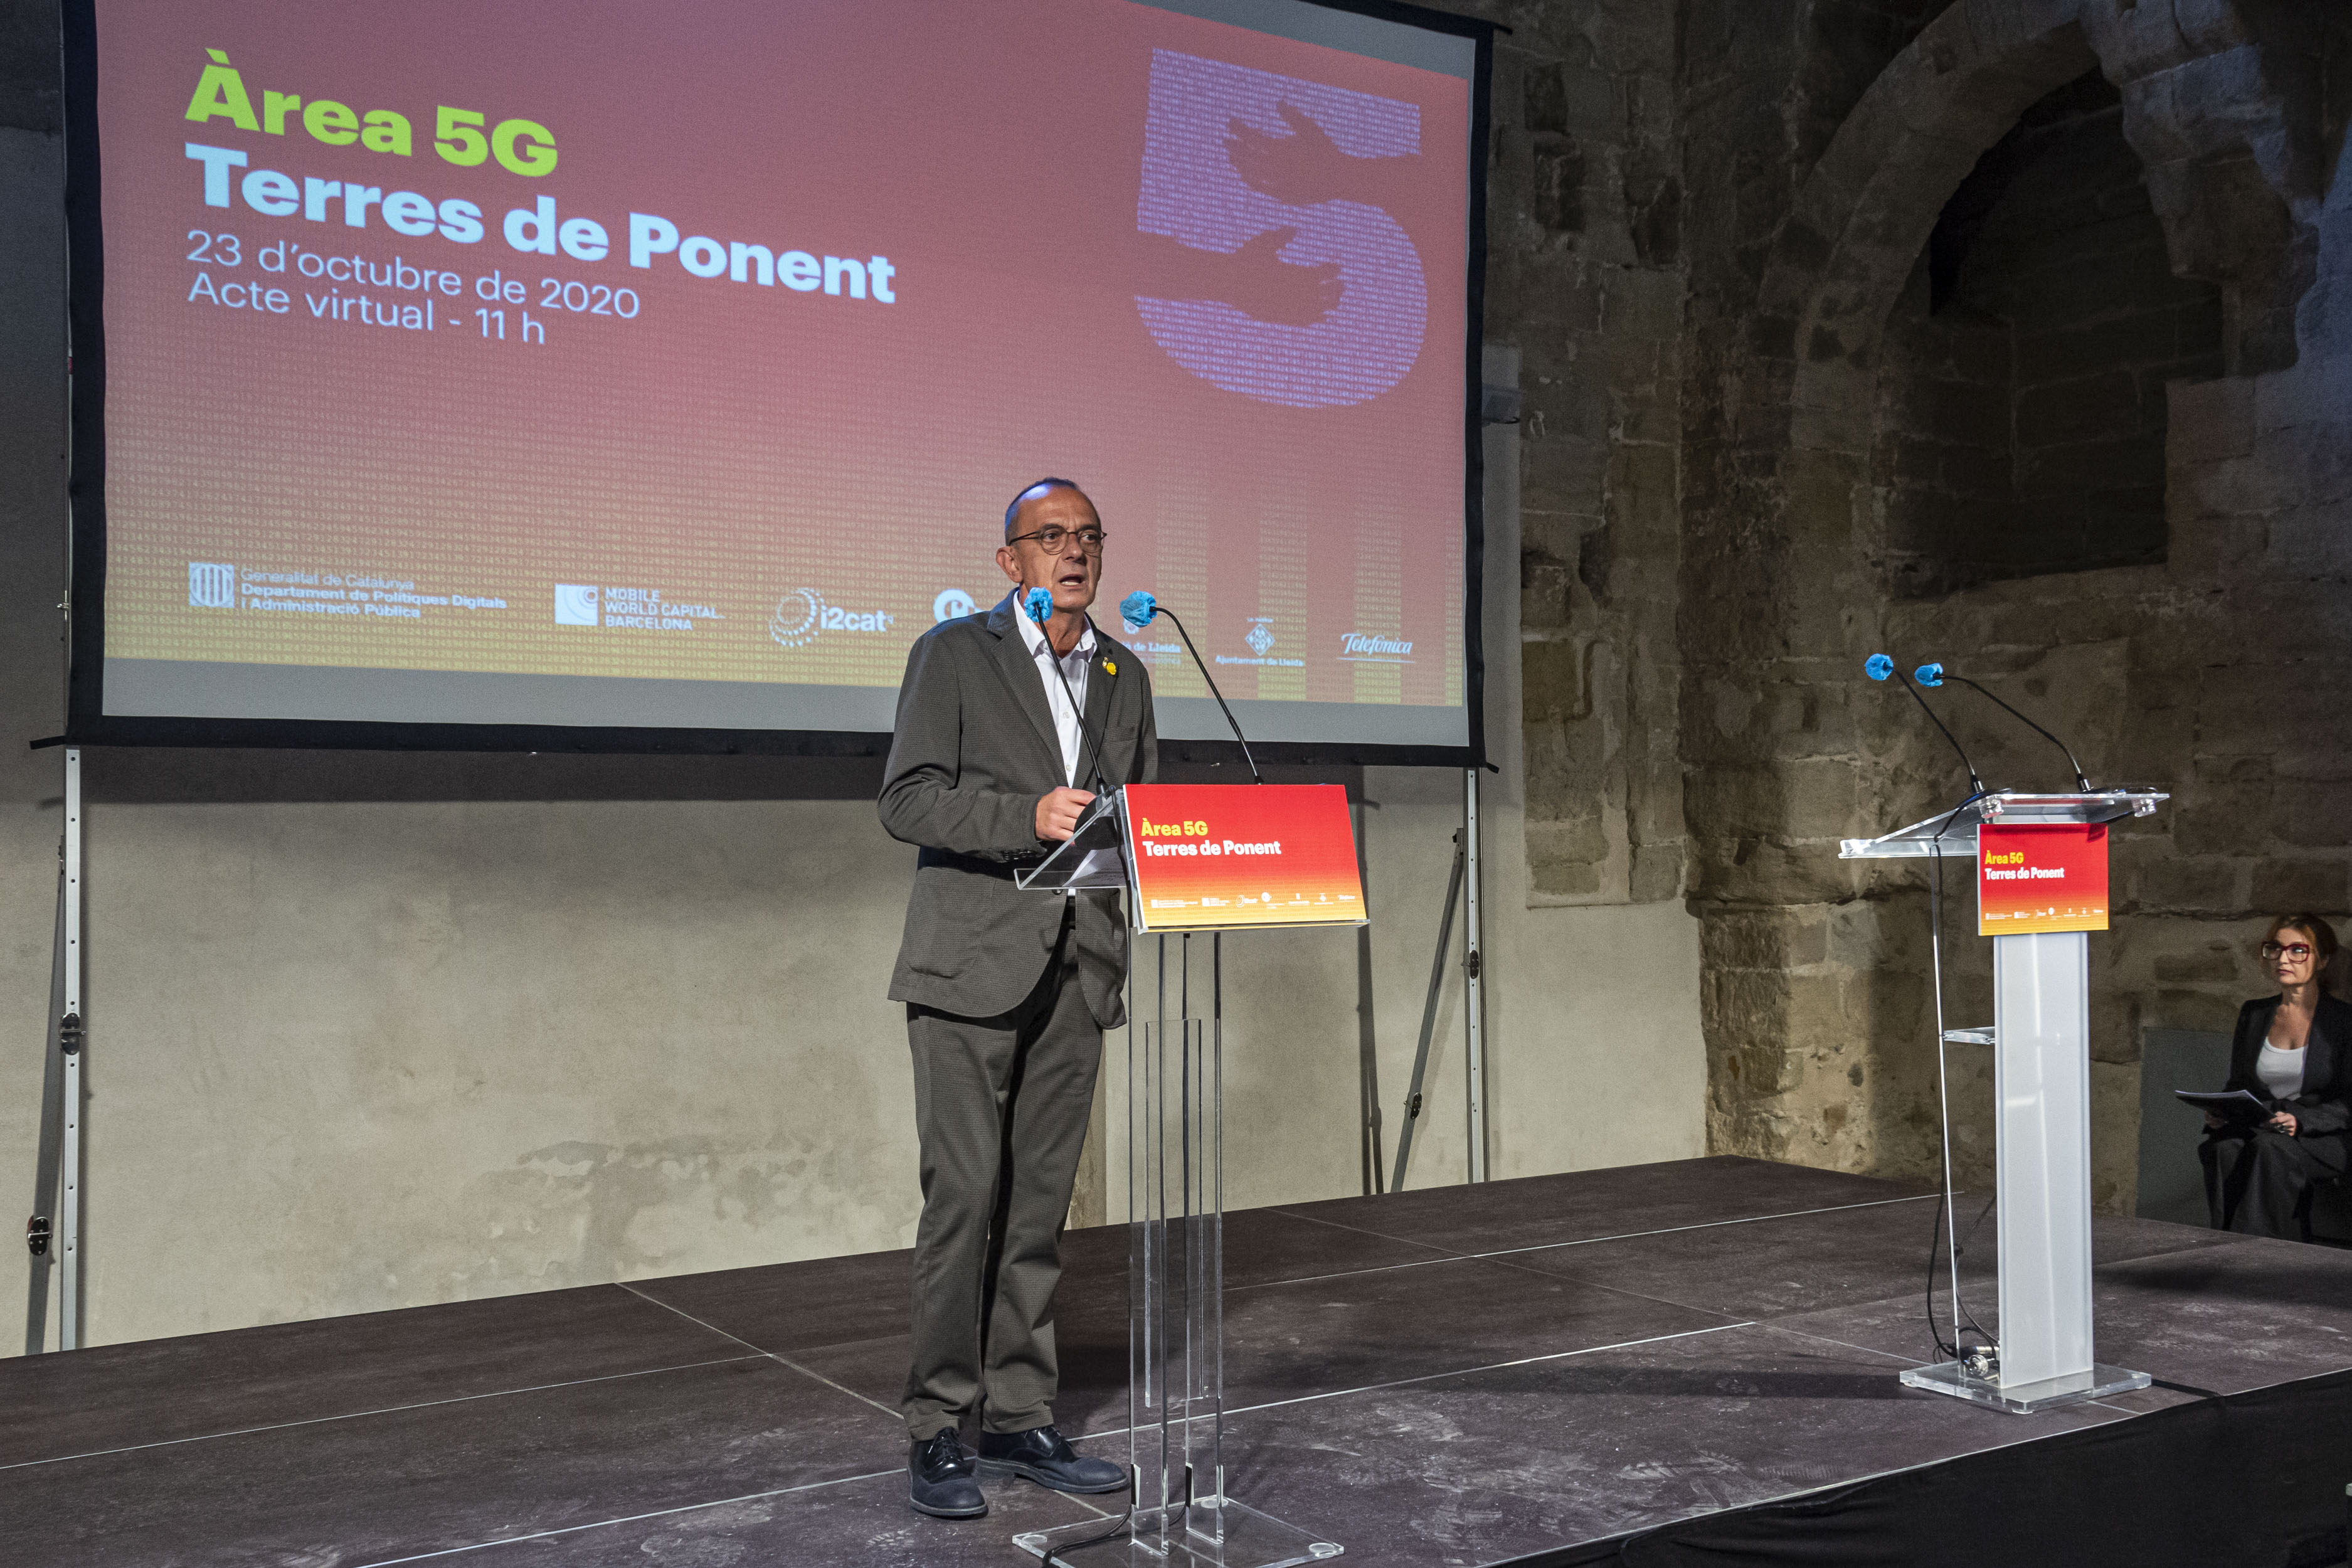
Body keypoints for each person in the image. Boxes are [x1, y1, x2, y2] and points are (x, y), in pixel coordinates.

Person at [877, 478, 1156, 1519]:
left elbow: (1135, 813)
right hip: (970, 966)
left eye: (1087, 536)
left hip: (1079, 966)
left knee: (1039, 1209)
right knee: (965, 1199)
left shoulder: (1123, 672)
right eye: (1050, 537)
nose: (1072, 552)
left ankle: (1020, 1413)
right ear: (1010, 562)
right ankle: (938, 1424)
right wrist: (1022, 816)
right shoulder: (954, 654)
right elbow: (906, 798)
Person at [2200, 914, 2352, 1237]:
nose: (2283, 959)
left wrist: (2302, 1121)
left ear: (2323, 960)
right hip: (2265, 1126)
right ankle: (2222, 1243)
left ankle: (2255, 1254)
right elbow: (2239, 1083)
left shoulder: (2343, 1021)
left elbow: (2349, 1101)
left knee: (2270, 1149)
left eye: (2298, 950)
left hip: (2323, 1137)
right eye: (2276, 949)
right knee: (2223, 1147)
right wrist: (2222, 1111)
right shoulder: (2255, 1013)